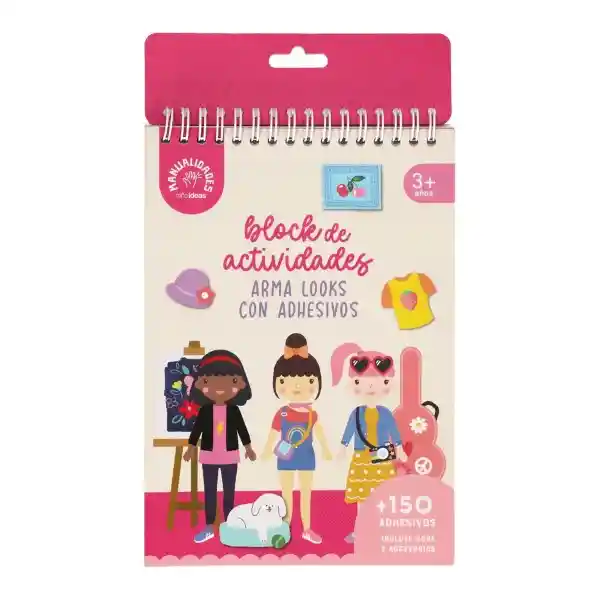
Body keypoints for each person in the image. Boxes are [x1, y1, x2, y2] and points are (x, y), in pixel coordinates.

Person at [331, 342, 406, 544]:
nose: (370, 386)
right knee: (362, 498)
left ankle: (383, 530)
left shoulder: (386, 413)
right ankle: (361, 530)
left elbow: (394, 433)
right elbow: (349, 431)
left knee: (383, 497)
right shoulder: (356, 413)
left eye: (377, 381)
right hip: (361, 457)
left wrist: (400, 449)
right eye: (362, 381)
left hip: (382, 459)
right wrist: (342, 448)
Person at [261, 333, 332, 544]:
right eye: (286, 381)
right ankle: (285, 526)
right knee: (286, 493)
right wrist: (266, 450)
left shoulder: (312, 414)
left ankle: (306, 528)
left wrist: (326, 449)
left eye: (308, 380)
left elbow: (319, 433)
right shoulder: (282, 413)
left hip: (306, 457)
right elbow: (273, 433)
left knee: (306, 493)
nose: (297, 386)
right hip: (285, 457)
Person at [183, 349, 256, 544]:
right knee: (210, 491)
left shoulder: (234, 410)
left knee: (229, 491)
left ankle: (230, 522)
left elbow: (242, 429)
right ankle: (209, 525)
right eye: (209, 381)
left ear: (241, 385)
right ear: (200, 385)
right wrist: (190, 447)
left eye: (231, 381)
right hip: (208, 456)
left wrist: (248, 447)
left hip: (230, 456)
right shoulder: (205, 410)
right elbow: (197, 430)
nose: (220, 388)